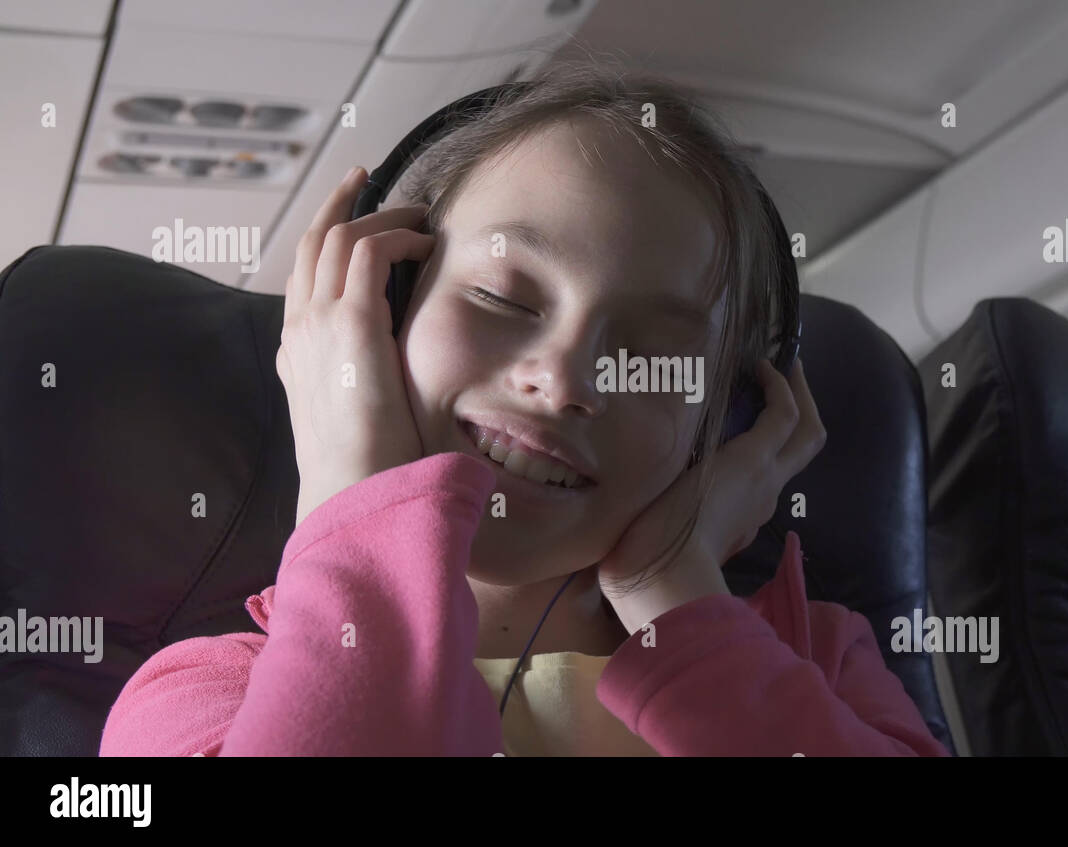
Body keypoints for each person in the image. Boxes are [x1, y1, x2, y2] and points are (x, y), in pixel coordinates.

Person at [99, 59, 949, 757]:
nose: (565, 377)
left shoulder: (822, 669)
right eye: (503, 299)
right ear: (382, 313)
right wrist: (354, 499)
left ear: (726, 424)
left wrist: (674, 593)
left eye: (650, 355)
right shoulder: (205, 698)